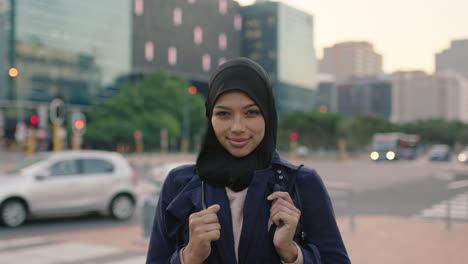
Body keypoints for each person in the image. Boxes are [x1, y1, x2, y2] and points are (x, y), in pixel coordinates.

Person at [146, 57, 351, 264]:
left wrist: (291, 253)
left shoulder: (301, 183)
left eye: (251, 113)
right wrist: (189, 257)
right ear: (210, 117)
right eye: (224, 114)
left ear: (268, 115)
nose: (237, 127)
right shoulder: (179, 183)